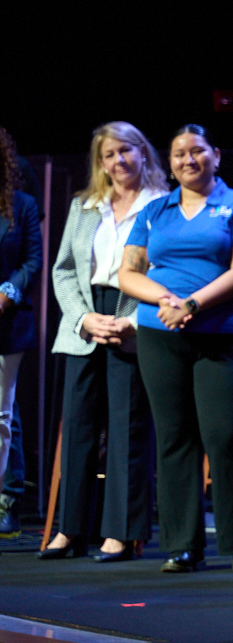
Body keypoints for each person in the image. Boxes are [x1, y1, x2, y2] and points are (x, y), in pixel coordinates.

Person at [118, 124, 233, 574]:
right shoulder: (155, 210)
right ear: (170, 162)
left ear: (215, 155)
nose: (188, 159)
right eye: (179, 153)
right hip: (162, 334)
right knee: (175, 437)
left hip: (225, 334)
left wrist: (192, 304)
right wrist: (166, 299)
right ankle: (182, 545)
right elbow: (128, 273)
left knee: (225, 437)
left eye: (197, 151)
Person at [43, 122, 167, 561]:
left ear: (143, 152)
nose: (119, 160)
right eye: (109, 154)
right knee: (78, 428)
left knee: (128, 428)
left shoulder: (161, 205)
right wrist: (82, 318)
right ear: (100, 162)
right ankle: (70, 530)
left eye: (126, 151)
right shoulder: (84, 206)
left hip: (134, 317)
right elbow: (62, 269)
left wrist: (131, 320)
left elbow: (164, 270)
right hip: (84, 322)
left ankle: (120, 533)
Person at [0, 125, 43, 547]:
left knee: (2, 414)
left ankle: (7, 498)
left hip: (6, 321)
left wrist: (7, 291)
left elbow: (32, 259)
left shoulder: (21, 203)